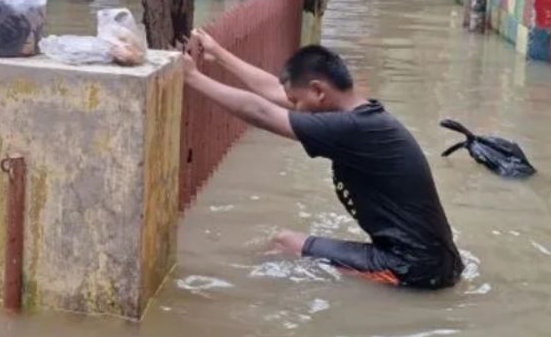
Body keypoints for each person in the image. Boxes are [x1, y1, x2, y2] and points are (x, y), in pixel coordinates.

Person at [182, 34, 463, 290]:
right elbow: (274, 92)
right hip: (433, 262)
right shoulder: (361, 117)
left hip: (415, 269)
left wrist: (193, 78)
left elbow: (260, 112)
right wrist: (219, 53)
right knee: (289, 243)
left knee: (285, 244)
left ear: (318, 91)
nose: (294, 108)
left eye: (297, 102)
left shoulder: (352, 128)